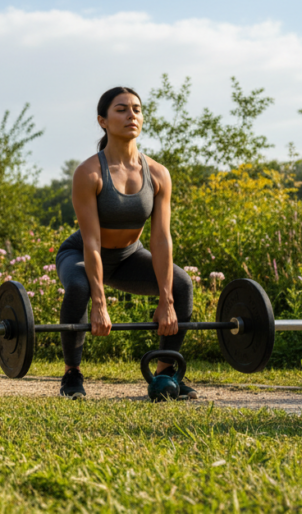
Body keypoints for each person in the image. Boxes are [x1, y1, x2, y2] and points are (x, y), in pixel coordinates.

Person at [56, 87, 197, 400]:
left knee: (182, 284)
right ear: (103, 121)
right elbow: (91, 241)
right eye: (121, 109)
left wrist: (166, 300)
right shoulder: (89, 172)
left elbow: (160, 239)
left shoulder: (158, 173)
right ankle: (72, 375)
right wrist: (99, 303)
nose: (131, 115)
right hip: (81, 253)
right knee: (79, 287)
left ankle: (165, 373)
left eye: (136, 109)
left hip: (130, 255)